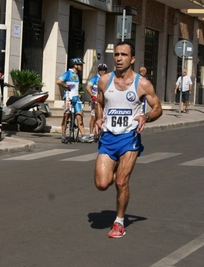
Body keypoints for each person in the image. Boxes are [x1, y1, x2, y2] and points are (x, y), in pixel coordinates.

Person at [94, 41, 162, 238]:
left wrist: (145, 116)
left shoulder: (142, 83)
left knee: (122, 181)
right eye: (116, 54)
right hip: (108, 137)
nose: (119, 58)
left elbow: (157, 108)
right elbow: (99, 102)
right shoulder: (104, 81)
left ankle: (119, 222)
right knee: (101, 184)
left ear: (132, 59)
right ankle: (116, 170)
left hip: (129, 137)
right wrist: (99, 118)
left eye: (123, 55)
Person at [57, 57, 92, 143]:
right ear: (75, 65)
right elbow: (58, 81)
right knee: (66, 116)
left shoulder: (77, 75)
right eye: (80, 65)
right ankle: (63, 134)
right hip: (68, 97)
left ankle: (83, 136)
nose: (81, 66)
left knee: (79, 117)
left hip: (76, 98)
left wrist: (79, 93)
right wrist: (65, 86)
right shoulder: (68, 73)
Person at [86, 63, 108, 141]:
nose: (102, 72)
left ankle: (100, 132)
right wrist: (92, 95)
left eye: (104, 70)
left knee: (102, 116)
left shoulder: (107, 79)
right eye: (101, 70)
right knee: (94, 117)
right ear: (98, 71)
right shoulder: (95, 78)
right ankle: (91, 134)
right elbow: (88, 87)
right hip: (95, 100)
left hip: (104, 100)